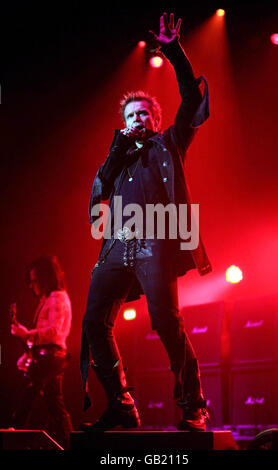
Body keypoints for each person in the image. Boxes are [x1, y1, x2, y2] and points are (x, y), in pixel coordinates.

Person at [80, 12, 212, 432]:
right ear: (124, 123)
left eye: (145, 115)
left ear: (155, 121)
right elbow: (98, 191)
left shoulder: (169, 143)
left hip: (156, 239)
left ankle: (193, 404)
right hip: (119, 244)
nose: (139, 120)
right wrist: (117, 149)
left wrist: (173, 50)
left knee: (165, 321)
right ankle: (121, 404)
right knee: (93, 323)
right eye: (132, 116)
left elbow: (191, 99)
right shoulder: (117, 159)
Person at [10, 255, 73, 448]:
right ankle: (70, 441)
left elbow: (54, 333)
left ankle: (15, 434)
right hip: (48, 356)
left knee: (28, 392)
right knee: (54, 404)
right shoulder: (48, 299)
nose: (31, 286)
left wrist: (27, 334)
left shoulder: (57, 298)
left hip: (52, 357)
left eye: (34, 280)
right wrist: (27, 346)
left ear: (46, 278)